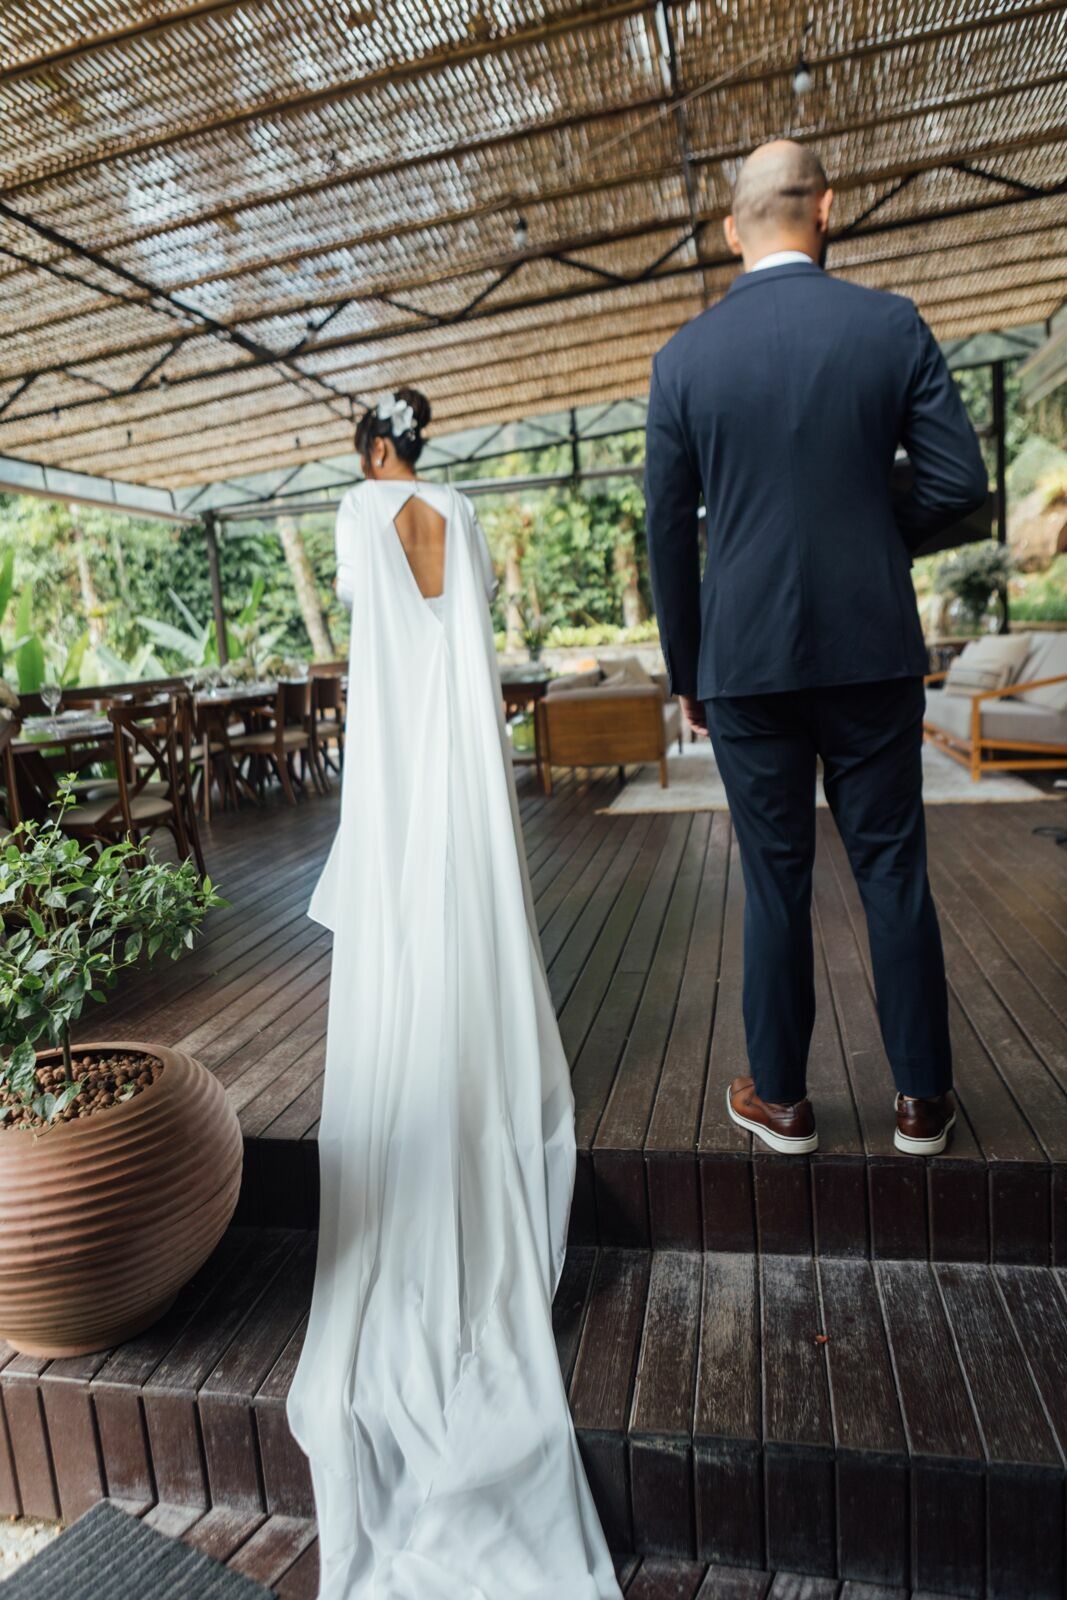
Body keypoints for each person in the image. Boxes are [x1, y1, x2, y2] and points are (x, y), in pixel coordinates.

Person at [286, 387, 621, 1600]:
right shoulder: (461, 510)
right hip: (460, 768)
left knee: (402, 938)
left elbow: (373, 649)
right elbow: (456, 635)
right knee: (470, 926)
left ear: (376, 448)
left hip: (393, 762)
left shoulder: (355, 512)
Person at [644, 141, 988, 1160]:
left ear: (729, 229)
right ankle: (921, 1100)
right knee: (891, 867)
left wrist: (687, 671)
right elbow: (957, 484)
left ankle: (783, 1102)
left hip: (743, 661)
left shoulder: (682, 360)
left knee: (773, 879)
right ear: (826, 209)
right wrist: (871, 537)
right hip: (870, 644)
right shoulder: (890, 325)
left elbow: (666, 534)